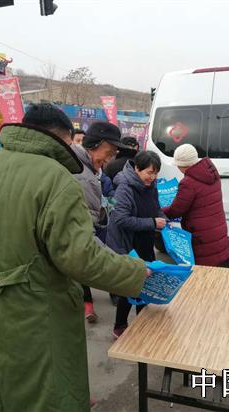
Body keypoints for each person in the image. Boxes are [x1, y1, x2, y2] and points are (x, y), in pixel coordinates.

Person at [0, 103, 149, 412]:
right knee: (44, 395)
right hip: (39, 317)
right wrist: (135, 272)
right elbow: (80, 256)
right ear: (62, 137)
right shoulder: (56, 178)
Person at [71, 121, 128, 323]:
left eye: (113, 155)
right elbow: (83, 239)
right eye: (109, 152)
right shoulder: (83, 176)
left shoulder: (84, 169)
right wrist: (128, 270)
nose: (109, 159)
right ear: (95, 144)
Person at [107, 151, 166, 338]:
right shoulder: (124, 188)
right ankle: (120, 326)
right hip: (129, 243)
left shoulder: (151, 185)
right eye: (149, 172)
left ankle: (142, 326)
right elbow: (120, 219)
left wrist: (162, 218)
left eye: (155, 173)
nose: (152, 177)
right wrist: (152, 222)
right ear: (137, 169)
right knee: (130, 285)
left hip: (145, 240)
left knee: (145, 284)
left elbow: (156, 208)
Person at [163, 143, 229, 266]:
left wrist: (158, 210)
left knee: (202, 273)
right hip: (216, 231)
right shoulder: (211, 174)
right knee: (215, 270)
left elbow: (176, 210)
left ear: (182, 164)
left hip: (201, 236)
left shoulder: (188, 183)